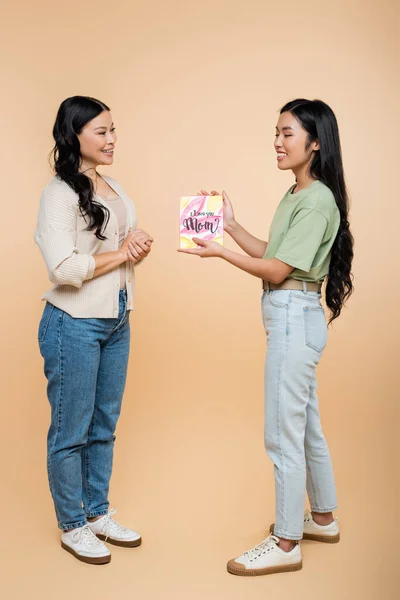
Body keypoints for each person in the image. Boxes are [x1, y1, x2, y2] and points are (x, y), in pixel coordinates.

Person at [179, 98, 354, 576]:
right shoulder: (297, 194)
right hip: (294, 316)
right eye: (275, 133)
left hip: (293, 319)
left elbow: (275, 270)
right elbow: (273, 252)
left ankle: (285, 542)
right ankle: (322, 518)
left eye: (287, 134)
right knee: (306, 428)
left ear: (315, 143)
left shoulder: (317, 200)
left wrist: (217, 253)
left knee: (281, 436)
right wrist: (231, 227)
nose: (277, 142)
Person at [35, 96, 153, 564]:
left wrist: (134, 245)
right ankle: (72, 523)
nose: (111, 139)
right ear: (75, 135)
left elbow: (116, 247)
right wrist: (123, 254)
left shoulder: (114, 186)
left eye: (113, 130)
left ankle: (98, 512)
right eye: (101, 131)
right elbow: (63, 267)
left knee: (104, 424)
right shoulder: (58, 193)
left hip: (117, 317)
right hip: (73, 324)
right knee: (72, 429)